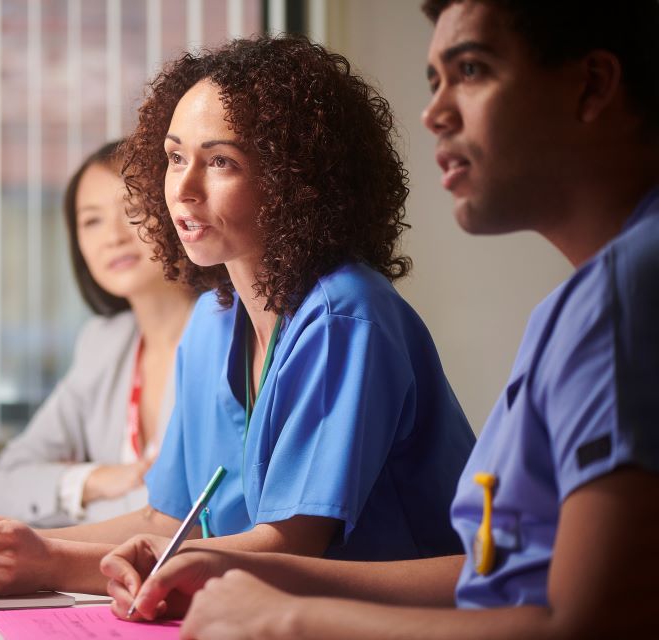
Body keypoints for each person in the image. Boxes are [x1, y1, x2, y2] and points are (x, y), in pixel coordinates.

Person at [99, 2, 659, 637]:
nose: (435, 114)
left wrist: (291, 618)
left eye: (471, 70)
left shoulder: (630, 296)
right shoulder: (578, 305)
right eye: (434, 81)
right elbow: (493, 575)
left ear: (591, 85)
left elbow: (588, 620)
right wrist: (220, 568)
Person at [0, 35, 473, 597]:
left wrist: (51, 564)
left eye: (220, 162)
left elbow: (293, 546)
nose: (181, 189)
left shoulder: (345, 315)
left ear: (295, 180)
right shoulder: (214, 322)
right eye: (173, 157)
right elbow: (166, 518)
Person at [0, 141, 197, 525]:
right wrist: (94, 480)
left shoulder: (227, 331)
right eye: (91, 220)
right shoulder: (104, 342)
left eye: (135, 211)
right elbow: (0, 485)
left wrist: (82, 512)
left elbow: (189, 517)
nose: (112, 236)